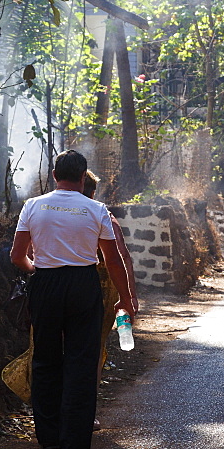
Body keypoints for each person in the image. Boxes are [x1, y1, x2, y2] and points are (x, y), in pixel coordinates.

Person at [10, 150, 135, 449]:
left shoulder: (33, 206)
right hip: (83, 285)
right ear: (83, 178)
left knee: (46, 360)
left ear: (54, 175)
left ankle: (49, 439)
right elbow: (112, 259)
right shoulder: (96, 209)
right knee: (82, 362)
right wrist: (127, 297)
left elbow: (17, 257)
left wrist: (37, 270)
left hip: (46, 284)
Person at [83, 170, 138, 431]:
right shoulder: (100, 214)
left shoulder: (45, 209)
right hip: (99, 290)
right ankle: (86, 412)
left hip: (52, 287)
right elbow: (120, 257)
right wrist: (129, 297)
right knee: (91, 352)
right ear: (93, 192)